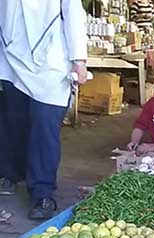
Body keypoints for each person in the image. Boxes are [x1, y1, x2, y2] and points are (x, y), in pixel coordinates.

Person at [0, 0, 88, 219]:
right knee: (13, 122)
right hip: (9, 56)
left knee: (44, 128)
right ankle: (9, 174)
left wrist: (79, 60)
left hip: (50, 60)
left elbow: (73, 12)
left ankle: (42, 192)